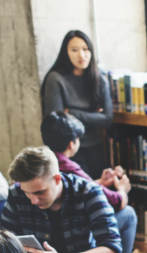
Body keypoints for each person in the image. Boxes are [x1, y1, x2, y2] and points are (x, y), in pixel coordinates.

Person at [0, 146, 122, 253]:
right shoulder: (16, 194)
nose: (34, 200)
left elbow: (112, 251)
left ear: (57, 179)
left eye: (40, 192)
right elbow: (3, 242)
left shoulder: (89, 192)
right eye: (28, 193)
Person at [41, 111, 138, 253]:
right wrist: (122, 189)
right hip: (78, 233)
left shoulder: (43, 161)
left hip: (52, 232)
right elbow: (116, 202)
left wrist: (99, 182)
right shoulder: (69, 167)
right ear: (72, 143)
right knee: (129, 213)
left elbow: (74, 189)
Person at [43, 30, 113, 175]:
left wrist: (73, 113)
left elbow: (107, 119)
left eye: (85, 49)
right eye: (74, 50)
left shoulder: (100, 80)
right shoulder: (56, 79)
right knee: (84, 190)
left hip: (94, 143)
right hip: (67, 149)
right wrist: (93, 116)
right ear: (66, 53)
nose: (81, 55)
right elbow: (57, 123)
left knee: (102, 186)